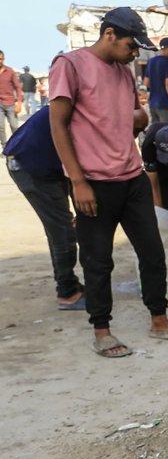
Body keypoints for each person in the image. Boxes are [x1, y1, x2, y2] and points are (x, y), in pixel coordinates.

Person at [49, 7, 168, 357]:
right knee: (98, 260)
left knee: (153, 251)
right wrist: (78, 181)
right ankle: (102, 330)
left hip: (132, 177)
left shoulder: (125, 72)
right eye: (131, 45)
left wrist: (140, 118)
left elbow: (131, 116)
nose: (134, 53)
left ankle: (159, 320)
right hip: (93, 183)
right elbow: (59, 125)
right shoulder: (69, 66)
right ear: (110, 34)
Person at [4, 105, 85, 309]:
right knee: (63, 231)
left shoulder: (74, 104)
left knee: (61, 227)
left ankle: (69, 283)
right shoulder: (78, 110)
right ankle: (67, 293)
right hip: (31, 166)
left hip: (44, 164)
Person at [145, 38, 168, 125]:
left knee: (157, 133)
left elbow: (146, 82)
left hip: (152, 104)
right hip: (165, 104)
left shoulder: (151, 61)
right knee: (166, 133)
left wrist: (156, 86)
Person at [0, 50, 22, 148]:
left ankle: (16, 146)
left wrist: (19, 103)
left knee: (14, 126)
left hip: (10, 103)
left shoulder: (10, 71)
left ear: (3, 59)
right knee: (1, 127)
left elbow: (18, 87)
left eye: (1, 59)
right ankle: (5, 148)